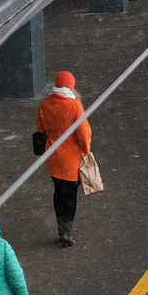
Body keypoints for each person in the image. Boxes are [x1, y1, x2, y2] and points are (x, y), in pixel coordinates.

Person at [35, 71, 92, 246]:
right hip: (71, 159)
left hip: (53, 157)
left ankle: (60, 229)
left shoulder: (45, 104)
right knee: (70, 196)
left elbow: (41, 128)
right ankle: (67, 231)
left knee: (58, 193)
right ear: (71, 86)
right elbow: (84, 133)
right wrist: (86, 149)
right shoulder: (74, 106)